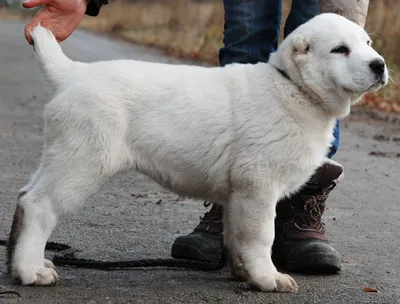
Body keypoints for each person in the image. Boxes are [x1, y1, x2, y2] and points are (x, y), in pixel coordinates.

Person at [23, 0, 369, 274]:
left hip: (104, 91)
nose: (374, 59)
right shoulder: (276, 105)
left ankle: (282, 222)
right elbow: (257, 181)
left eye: (368, 46)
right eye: (343, 51)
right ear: (301, 54)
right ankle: (252, 253)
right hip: (107, 101)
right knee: (61, 191)